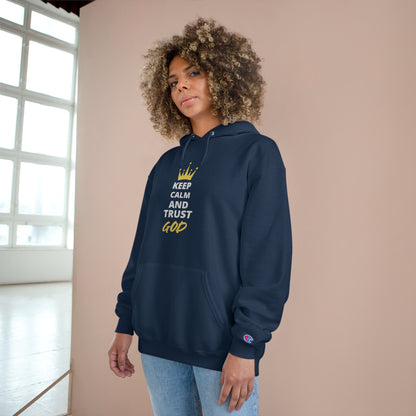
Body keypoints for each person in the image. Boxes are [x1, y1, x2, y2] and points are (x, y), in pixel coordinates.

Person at [108, 17, 293, 415]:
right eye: (173, 81)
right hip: (157, 342)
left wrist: (247, 344)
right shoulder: (165, 165)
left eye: (193, 73)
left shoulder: (257, 154)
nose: (181, 87)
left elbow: (268, 258)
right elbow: (142, 250)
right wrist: (126, 322)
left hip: (220, 347)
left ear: (223, 75)